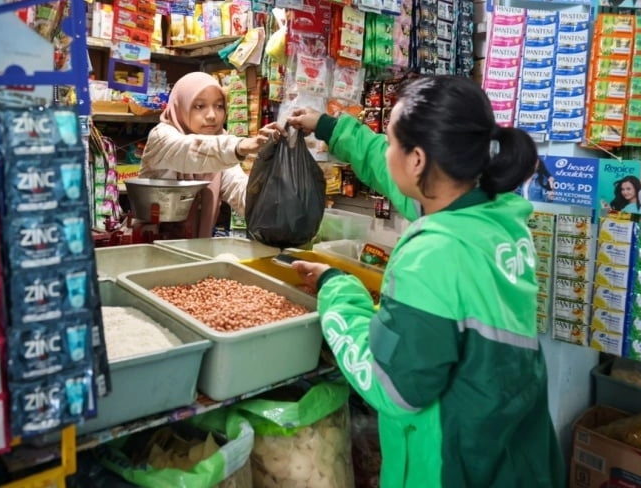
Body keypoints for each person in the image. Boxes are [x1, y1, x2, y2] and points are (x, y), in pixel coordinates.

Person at [284, 76, 565, 488]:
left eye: (391, 141)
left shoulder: (432, 255)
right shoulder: (498, 216)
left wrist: (336, 288)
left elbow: (391, 386)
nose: (387, 150)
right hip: (516, 457)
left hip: (451, 469)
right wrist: (330, 127)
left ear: (417, 160)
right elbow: (390, 169)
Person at [139, 72, 280, 237]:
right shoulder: (162, 136)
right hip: (151, 246)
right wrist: (240, 146)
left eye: (219, 106)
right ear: (180, 105)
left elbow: (240, 191)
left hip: (197, 248)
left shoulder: (221, 144)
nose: (212, 115)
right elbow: (191, 152)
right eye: (199, 106)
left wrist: (275, 193)